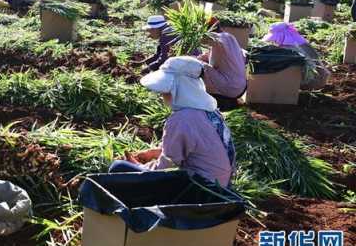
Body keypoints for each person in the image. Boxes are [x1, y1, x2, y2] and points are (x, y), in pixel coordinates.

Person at [108, 56, 236, 187]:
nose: (162, 94)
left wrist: (138, 166)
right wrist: (154, 153)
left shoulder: (181, 119)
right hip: (223, 185)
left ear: (178, 88)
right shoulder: (210, 111)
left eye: (166, 90)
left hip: (203, 190)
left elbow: (165, 167)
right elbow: (191, 149)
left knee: (118, 167)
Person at [262, 22, 330, 90]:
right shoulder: (300, 43)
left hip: (311, 82)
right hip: (319, 79)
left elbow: (308, 69)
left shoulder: (290, 49)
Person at [198, 19, 247, 105]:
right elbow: (208, 56)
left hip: (231, 87)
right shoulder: (229, 38)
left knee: (199, 66)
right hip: (240, 86)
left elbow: (212, 40)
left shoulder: (221, 38)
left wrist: (196, 36)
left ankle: (206, 98)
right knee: (198, 61)